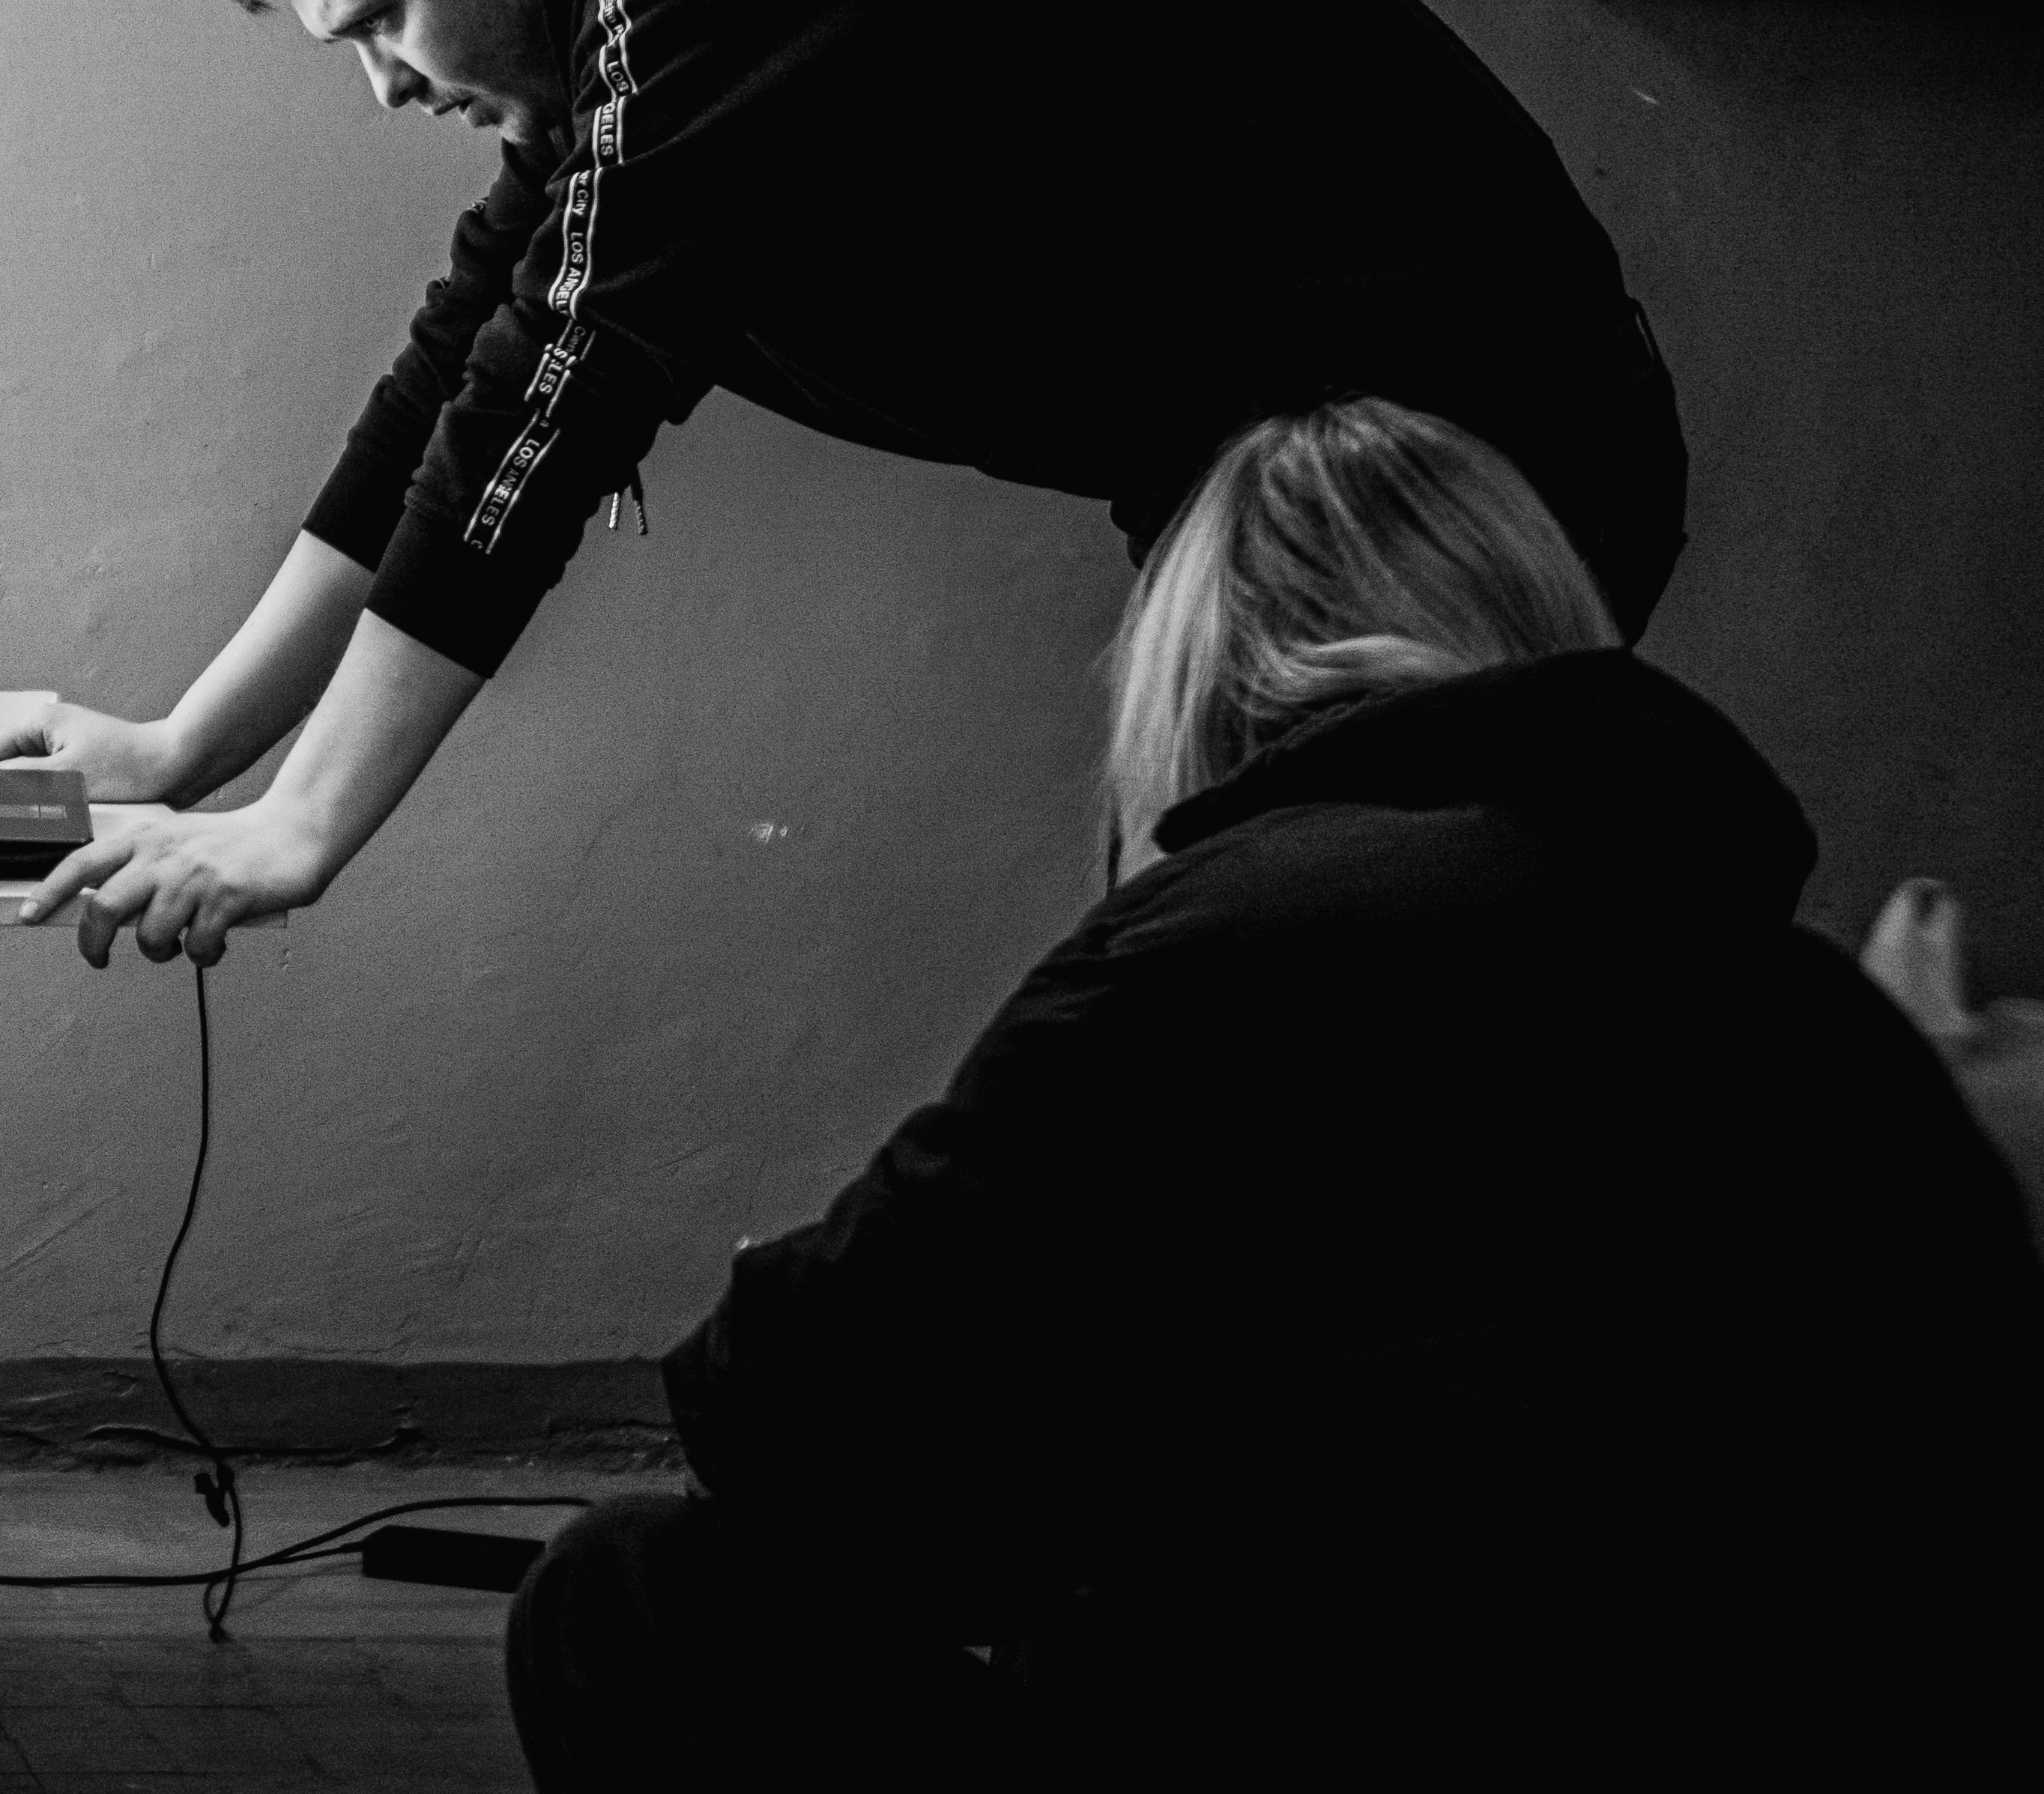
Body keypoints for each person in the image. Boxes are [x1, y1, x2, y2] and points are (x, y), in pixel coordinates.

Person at [0, 0, 1689, 966]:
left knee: (1266, 1011)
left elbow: (558, 386)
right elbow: (461, 369)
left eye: (380, 17)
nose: (383, 84)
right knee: (1215, 1005)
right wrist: (180, 748)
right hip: (1281, 475)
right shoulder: (627, 16)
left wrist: (299, 825)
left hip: (1443, 443)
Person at [503, 400, 2044, 1783]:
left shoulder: (1210, 935)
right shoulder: (1793, 985)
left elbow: (793, 1423)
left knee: (630, 1592)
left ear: (1200, 674)